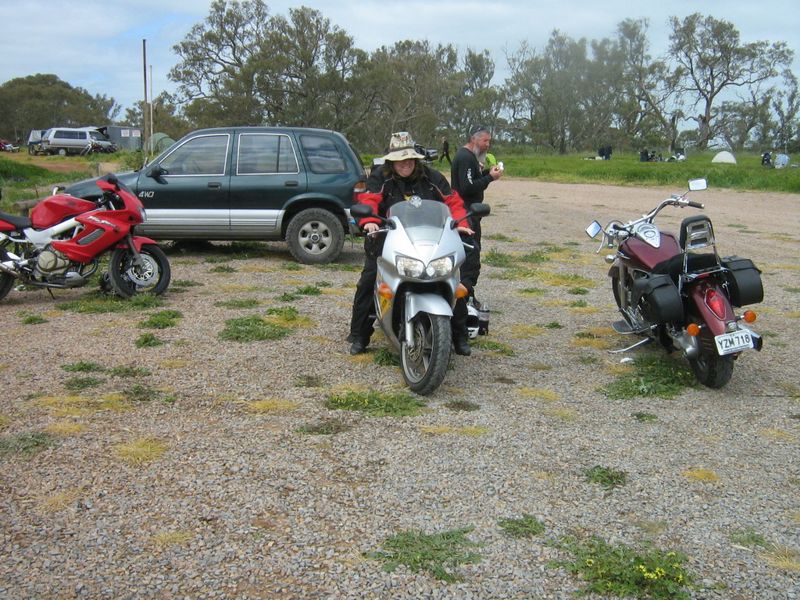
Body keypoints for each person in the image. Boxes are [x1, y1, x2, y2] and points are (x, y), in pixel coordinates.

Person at [348, 132, 475, 356]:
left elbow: (453, 201)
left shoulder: (432, 177)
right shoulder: (380, 177)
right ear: (391, 161)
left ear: (416, 159)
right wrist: (369, 222)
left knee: (455, 281)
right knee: (369, 281)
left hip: (429, 241)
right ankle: (360, 335)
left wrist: (461, 223)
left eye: (409, 158)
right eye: (400, 159)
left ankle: (459, 335)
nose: (405, 163)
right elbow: (369, 199)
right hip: (389, 240)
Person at [450, 125, 503, 298]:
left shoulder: (470, 157)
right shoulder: (465, 157)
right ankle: (465, 297)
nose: (488, 144)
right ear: (474, 139)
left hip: (471, 213)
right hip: (465, 214)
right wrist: (490, 178)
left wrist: (488, 173)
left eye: (489, 141)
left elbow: (473, 180)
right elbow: (467, 187)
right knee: (470, 257)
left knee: (471, 255)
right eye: (485, 140)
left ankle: (467, 295)